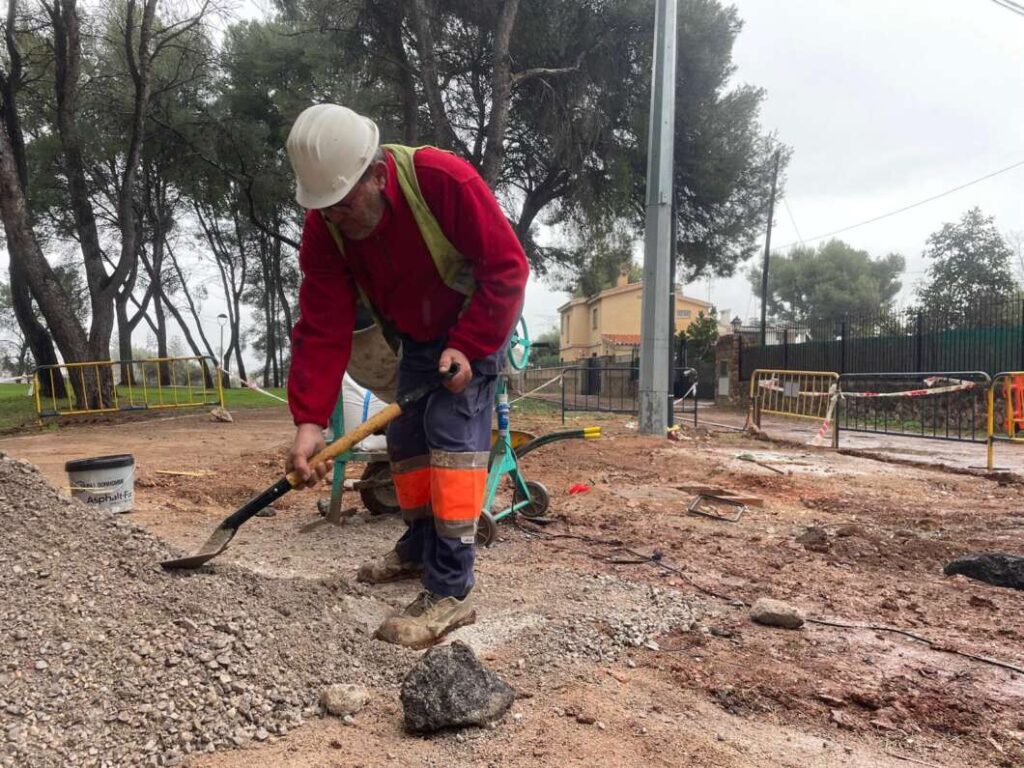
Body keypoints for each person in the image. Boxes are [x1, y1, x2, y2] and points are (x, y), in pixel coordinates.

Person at [284, 104, 529, 649]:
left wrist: (470, 345)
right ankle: (419, 548)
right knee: (408, 441)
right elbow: (322, 323)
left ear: (377, 174)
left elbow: (507, 266)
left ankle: (452, 588)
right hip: (416, 340)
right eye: (325, 209)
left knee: (452, 441)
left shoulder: (442, 180)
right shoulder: (325, 223)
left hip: (474, 327)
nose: (336, 218)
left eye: (344, 205)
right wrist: (309, 421)